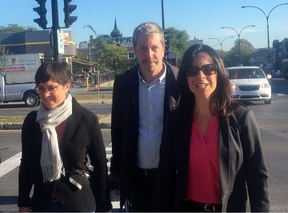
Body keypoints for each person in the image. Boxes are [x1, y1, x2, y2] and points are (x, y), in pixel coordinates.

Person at [154, 44, 270, 212]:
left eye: (209, 69)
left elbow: (257, 177)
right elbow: (166, 174)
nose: (200, 76)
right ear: (185, 77)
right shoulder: (175, 120)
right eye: (192, 70)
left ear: (219, 72)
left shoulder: (241, 118)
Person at [18, 62, 112, 212]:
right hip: (43, 203)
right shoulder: (33, 121)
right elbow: (27, 165)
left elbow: (100, 164)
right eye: (41, 89)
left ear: (67, 86)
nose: (45, 94)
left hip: (78, 203)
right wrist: (23, 202)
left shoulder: (86, 119)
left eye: (51, 87)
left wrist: (104, 205)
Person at [109, 21, 179, 211]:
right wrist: (116, 175)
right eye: (142, 48)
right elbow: (117, 132)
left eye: (154, 47)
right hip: (137, 179)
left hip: (174, 178)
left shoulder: (180, 81)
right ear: (135, 50)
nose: (149, 55)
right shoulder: (123, 84)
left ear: (163, 49)